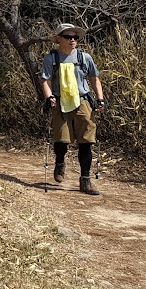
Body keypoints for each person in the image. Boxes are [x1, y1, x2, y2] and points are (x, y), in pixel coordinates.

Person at [40, 23, 107, 195]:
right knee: (61, 139)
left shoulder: (85, 58)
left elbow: (94, 79)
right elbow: (46, 81)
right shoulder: (51, 58)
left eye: (75, 37)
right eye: (68, 37)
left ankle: (85, 180)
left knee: (86, 141)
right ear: (59, 39)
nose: (72, 40)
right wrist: (49, 97)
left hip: (83, 101)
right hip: (60, 102)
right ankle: (60, 162)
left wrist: (100, 99)